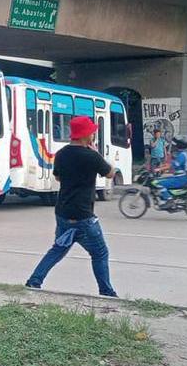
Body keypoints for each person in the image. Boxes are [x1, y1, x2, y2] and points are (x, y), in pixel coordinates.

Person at [25, 116, 118, 297]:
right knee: (100, 253)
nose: (94, 134)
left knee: (58, 249)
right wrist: (96, 153)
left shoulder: (61, 154)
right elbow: (110, 174)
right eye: (92, 132)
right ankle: (106, 292)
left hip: (63, 212)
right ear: (86, 135)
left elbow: (58, 177)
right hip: (84, 216)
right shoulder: (92, 156)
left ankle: (34, 281)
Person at [154, 136, 187, 202]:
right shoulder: (182, 154)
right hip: (179, 177)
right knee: (162, 179)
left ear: (180, 145)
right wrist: (160, 166)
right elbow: (171, 164)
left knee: (159, 184)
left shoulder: (182, 155)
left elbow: (172, 166)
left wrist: (159, 169)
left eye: (177, 144)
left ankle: (169, 200)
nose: (175, 145)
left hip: (180, 179)